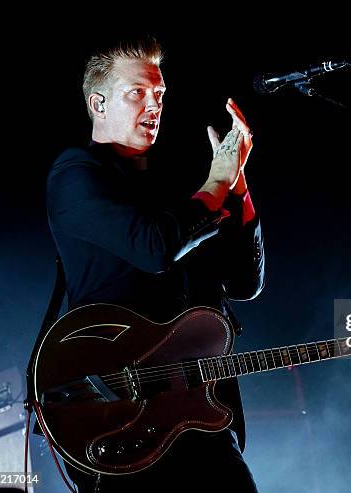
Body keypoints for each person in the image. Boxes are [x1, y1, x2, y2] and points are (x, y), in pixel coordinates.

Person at [45, 38, 264, 492]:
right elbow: (153, 248)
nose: (154, 105)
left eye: (160, 95)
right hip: (121, 414)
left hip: (197, 412)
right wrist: (217, 180)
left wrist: (238, 188)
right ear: (98, 103)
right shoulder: (76, 174)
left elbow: (245, 282)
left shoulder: (179, 190)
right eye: (137, 93)